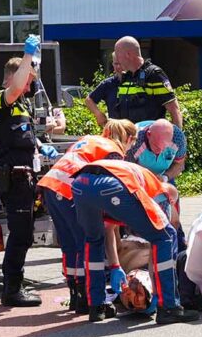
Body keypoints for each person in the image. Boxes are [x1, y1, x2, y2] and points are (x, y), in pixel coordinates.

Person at [67, 150, 186, 323]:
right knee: (165, 236)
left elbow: (107, 229)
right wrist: (156, 290)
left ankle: (97, 307)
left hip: (81, 183)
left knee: (93, 241)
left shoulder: (140, 179)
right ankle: (169, 307)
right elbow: (160, 239)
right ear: (167, 198)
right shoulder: (156, 190)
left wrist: (115, 266)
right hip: (111, 184)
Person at [39, 120, 133, 312]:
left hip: (51, 185)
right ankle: (89, 298)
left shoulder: (90, 140)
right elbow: (109, 192)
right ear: (129, 138)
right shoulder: (114, 152)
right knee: (87, 243)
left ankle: (75, 294)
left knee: (69, 244)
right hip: (72, 190)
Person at [0, 55, 44, 308]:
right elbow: (17, 86)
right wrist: (28, 56)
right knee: (20, 234)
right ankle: (11, 289)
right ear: (13, 77)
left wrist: (42, 148)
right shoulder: (0, 101)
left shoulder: (22, 105)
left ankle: (15, 283)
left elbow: (26, 136)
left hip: (27, 177)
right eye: (28, 81)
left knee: (25, 234)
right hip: (14, 177)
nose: (30, 88)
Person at [89, 36, 180, 133]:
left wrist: (175, 142)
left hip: (149, 143)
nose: (117, 61)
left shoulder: (154, 75)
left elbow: (174, 111)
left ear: (128, 54)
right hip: (126, 142)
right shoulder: (125, 77)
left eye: (118, 56)